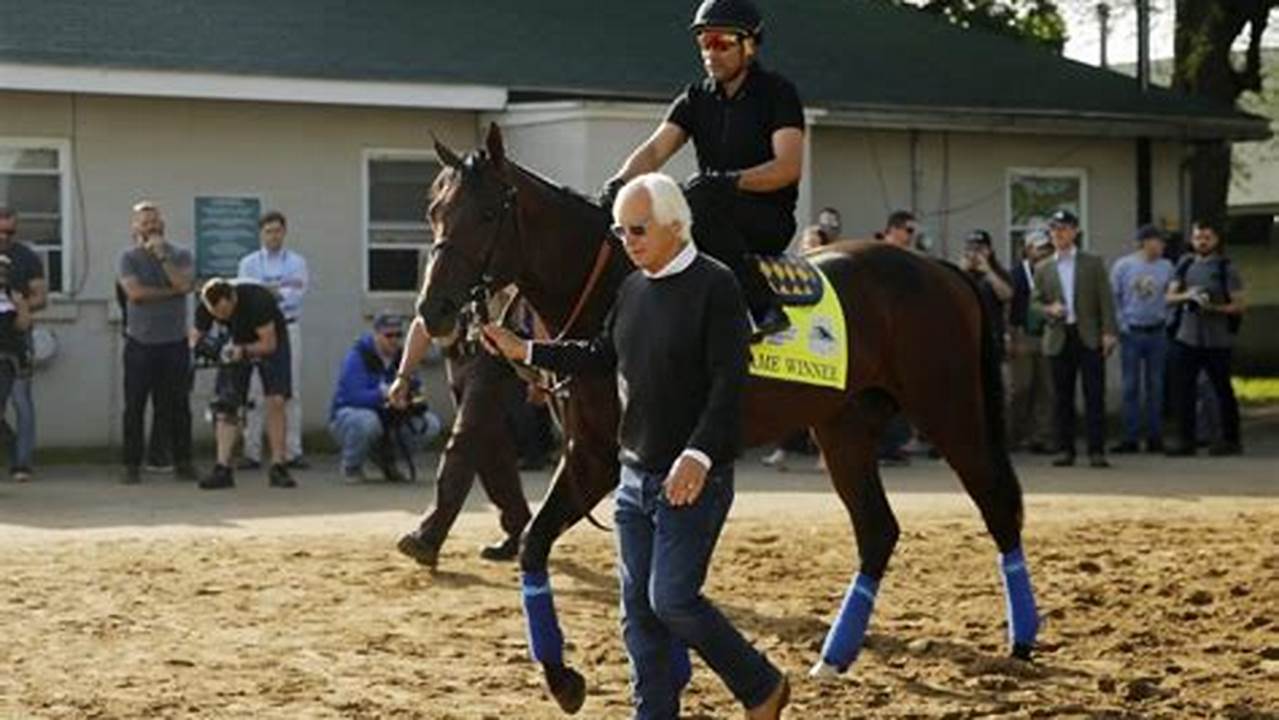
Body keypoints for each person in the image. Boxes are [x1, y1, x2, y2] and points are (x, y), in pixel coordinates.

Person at [482, 173, 790, 720]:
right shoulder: (630, 288)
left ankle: (761, 685)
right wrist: (527, 348)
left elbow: (729, 386)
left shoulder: (716, 286)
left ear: (676, 225)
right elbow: (602, 353)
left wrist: (697, 456)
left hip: (694, 481)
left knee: (671, 600)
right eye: (622, 232)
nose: (629, 242)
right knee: (638, 617)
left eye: (639, 230)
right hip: (634, 480)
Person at [599, 0, 804, 340]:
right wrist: (620, 184)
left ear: (749, 46)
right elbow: (653, 151)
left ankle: (764, 310)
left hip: (767, 217)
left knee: (697, 200)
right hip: (708, 208)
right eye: (704, 43)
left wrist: (731, 182)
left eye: (722, 43)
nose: (711, 53)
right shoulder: (696, 98)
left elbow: (788, 168)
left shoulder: (778, 94)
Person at [391, 291, 533, 566]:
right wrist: (403, 376)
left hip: (495, 364)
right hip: (458, 364)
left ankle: (430, 535)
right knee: (492, 454)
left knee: (465, 443)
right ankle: (522, 530)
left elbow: (531, 308)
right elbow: (424, 323)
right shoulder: (450, 268)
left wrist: (539, 370)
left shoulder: (498, 263)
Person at [116, 202, 197, 485]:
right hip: (140, 342)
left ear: (163, 224)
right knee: (134, 406)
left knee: (178, 405)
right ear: (135, 228)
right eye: (145, 222)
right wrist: (171, 291)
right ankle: (131, 465)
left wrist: (163, 258)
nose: (151, 227)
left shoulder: (181, 254)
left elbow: (185, 285)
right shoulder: (128, 258)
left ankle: (183, 462)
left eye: (155, 221)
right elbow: (135, 293)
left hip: (174, 342)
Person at [1032, 210, 1118, 468]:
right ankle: (1065, 449)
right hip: (1059, 335)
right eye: (1055, 229)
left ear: (1075, 231)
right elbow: (1034, 302)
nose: (1059, 233)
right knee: (1061, 397)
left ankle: (1096, 450)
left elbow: (1105, 299)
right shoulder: (1043, 267)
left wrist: (1109, 332)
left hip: (1088, 335)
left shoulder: (1092, 262)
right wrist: (1048, 309)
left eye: (1065, 228)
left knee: (1094, 394)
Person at [192, 278, 296, 490]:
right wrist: (209, 349)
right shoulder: (206, 306)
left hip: (269, 339)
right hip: (234, 341)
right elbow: (194, 339)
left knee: (276, 399)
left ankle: (278, 465)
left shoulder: (258, 301)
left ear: (232, 298)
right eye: (217, 315)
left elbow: (269, 344)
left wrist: (243, 351)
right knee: (226, 403)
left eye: (225, 312)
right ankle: (222, 467)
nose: (222, 318)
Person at [329, 312, 441, 482]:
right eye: (389, 335)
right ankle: (351, 466)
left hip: (390, 419)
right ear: (376, 334)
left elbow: (417, 387)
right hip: (349, 419)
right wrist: (384, 396)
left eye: (399, 335)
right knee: (368, 422)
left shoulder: (403, 359)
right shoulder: (358, 356)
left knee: (430, 424)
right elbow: (352, 396)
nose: (394, 340)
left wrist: (410, 400)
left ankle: (388, 462)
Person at [1165, 220, 1246, 456]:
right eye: (1198, 237)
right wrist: (1188, 296)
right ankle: (1185, 440)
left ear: (1215, 240)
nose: (1202, 242)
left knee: (1222, 390)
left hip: (1217, 339)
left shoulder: (1226, 268)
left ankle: (1230, 440)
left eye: (1207, 238)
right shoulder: (1184, 264)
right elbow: (1169, 297)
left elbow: (1239, 305)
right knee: (1184, 391)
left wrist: (1213, 308)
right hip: (1187, 337)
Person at [237, 211, 309, 470]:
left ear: (284, 232)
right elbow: (248, 298)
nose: (273, 236)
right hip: (256, 331)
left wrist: (268, 293)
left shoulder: (297, 262)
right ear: (261, 234)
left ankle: (292, 451)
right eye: (268, 231)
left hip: (288, 328)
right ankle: (252, 451)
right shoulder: (248, 263)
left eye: (277, 230)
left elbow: (294, 296)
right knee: (255, 392)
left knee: (290, 392)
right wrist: (277, 291)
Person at [1109, 224, 1174, 454]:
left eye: (1162, 242)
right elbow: (1114, 298)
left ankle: (1155, 436)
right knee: (1130, 386)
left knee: (1156, 386)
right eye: (1157, 241)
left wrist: (1167, 320)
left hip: (1157, 331)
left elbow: (1172, 294)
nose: (1161, 246)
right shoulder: (1124, 266)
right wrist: (1120, 325)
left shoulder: (1167, 266)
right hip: (1132, 331)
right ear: (1144, 242)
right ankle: (1130, 436)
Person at [0, 208, 46, 482]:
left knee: (21, 400)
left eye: (10, 232)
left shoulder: (26, 257)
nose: (5, 237)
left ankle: (22, 462)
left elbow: (41, 297)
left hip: (16, 339)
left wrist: (19, 305)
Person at [1008, 229, 1055, 453]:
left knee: (1046, 387)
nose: (1044, 252)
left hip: (1048, 334)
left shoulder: (1052, 272)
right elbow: (1009, 308)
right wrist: (1011, 336)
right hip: (1023, 334)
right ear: (1027, 250)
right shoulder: (1016, 274)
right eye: (1039, 248)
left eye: (1047, 248)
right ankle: (1013, 435)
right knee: (1021, 387)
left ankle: (1041, 436)